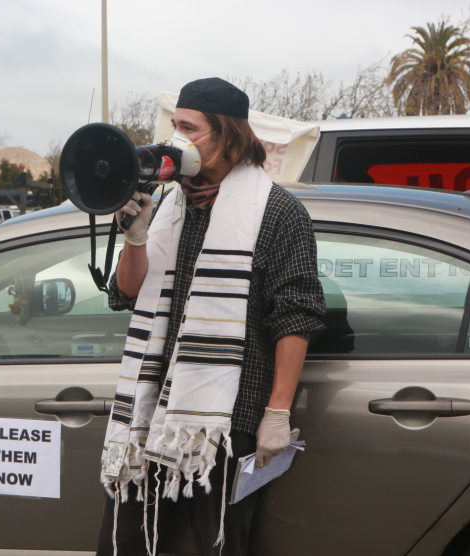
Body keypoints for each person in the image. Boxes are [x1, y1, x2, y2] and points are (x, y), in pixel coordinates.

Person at [96, 78, 325, 556]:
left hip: (224, 420)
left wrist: (277, 413)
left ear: (227, 136)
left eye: (189, 127)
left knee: (217, 546)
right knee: (122, 543)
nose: (177, 137)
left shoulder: (278, 213)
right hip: (150, 410)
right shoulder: (167, 206)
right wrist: (136, 238)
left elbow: (296, 315)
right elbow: (127, 292)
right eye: (174, 125)